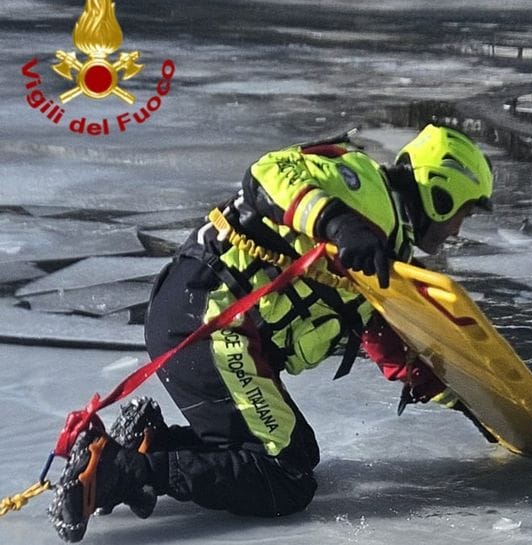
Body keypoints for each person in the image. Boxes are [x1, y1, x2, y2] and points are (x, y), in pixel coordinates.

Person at [48, 124, 494, 542]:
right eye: (464, 213)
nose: (458, 230)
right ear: (441, 193)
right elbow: (267, 174)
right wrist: (337, 221)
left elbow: (391, 344)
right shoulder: (365, 189)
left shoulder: (383, 245)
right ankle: (117, 471)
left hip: (197, 317)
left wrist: (478, 405)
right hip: (209, 319)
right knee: (286, 475)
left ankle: (152, 443)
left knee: (295, 452)